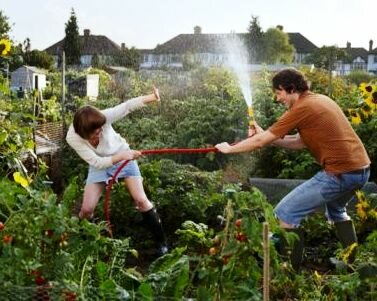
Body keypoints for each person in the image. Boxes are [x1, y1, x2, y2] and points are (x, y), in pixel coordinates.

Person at [215, 68, 370, 270]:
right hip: (360, 170)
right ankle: (350, 263)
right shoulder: (318, 100)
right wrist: (266, 138)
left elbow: (261, 141)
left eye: (278, 93)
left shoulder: (302, 107)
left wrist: (230, 149)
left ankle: (290, 272)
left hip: (340, 173)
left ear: (289, 88)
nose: (277, 98)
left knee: (285, 213)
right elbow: (299, 142)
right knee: (337, 209)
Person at [66, 86, 168, 256]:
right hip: (101, 163)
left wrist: (152, 97)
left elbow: (127, 106)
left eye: (100, 130)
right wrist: (120, 157)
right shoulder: (72, 137)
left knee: (141, 201)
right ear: (83, 133)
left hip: (123, 155)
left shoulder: (103, 118)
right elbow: (97, 162)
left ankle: (162, 244)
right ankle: (89, 247)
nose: (99, 134)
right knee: (86, 210)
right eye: (94, 134)